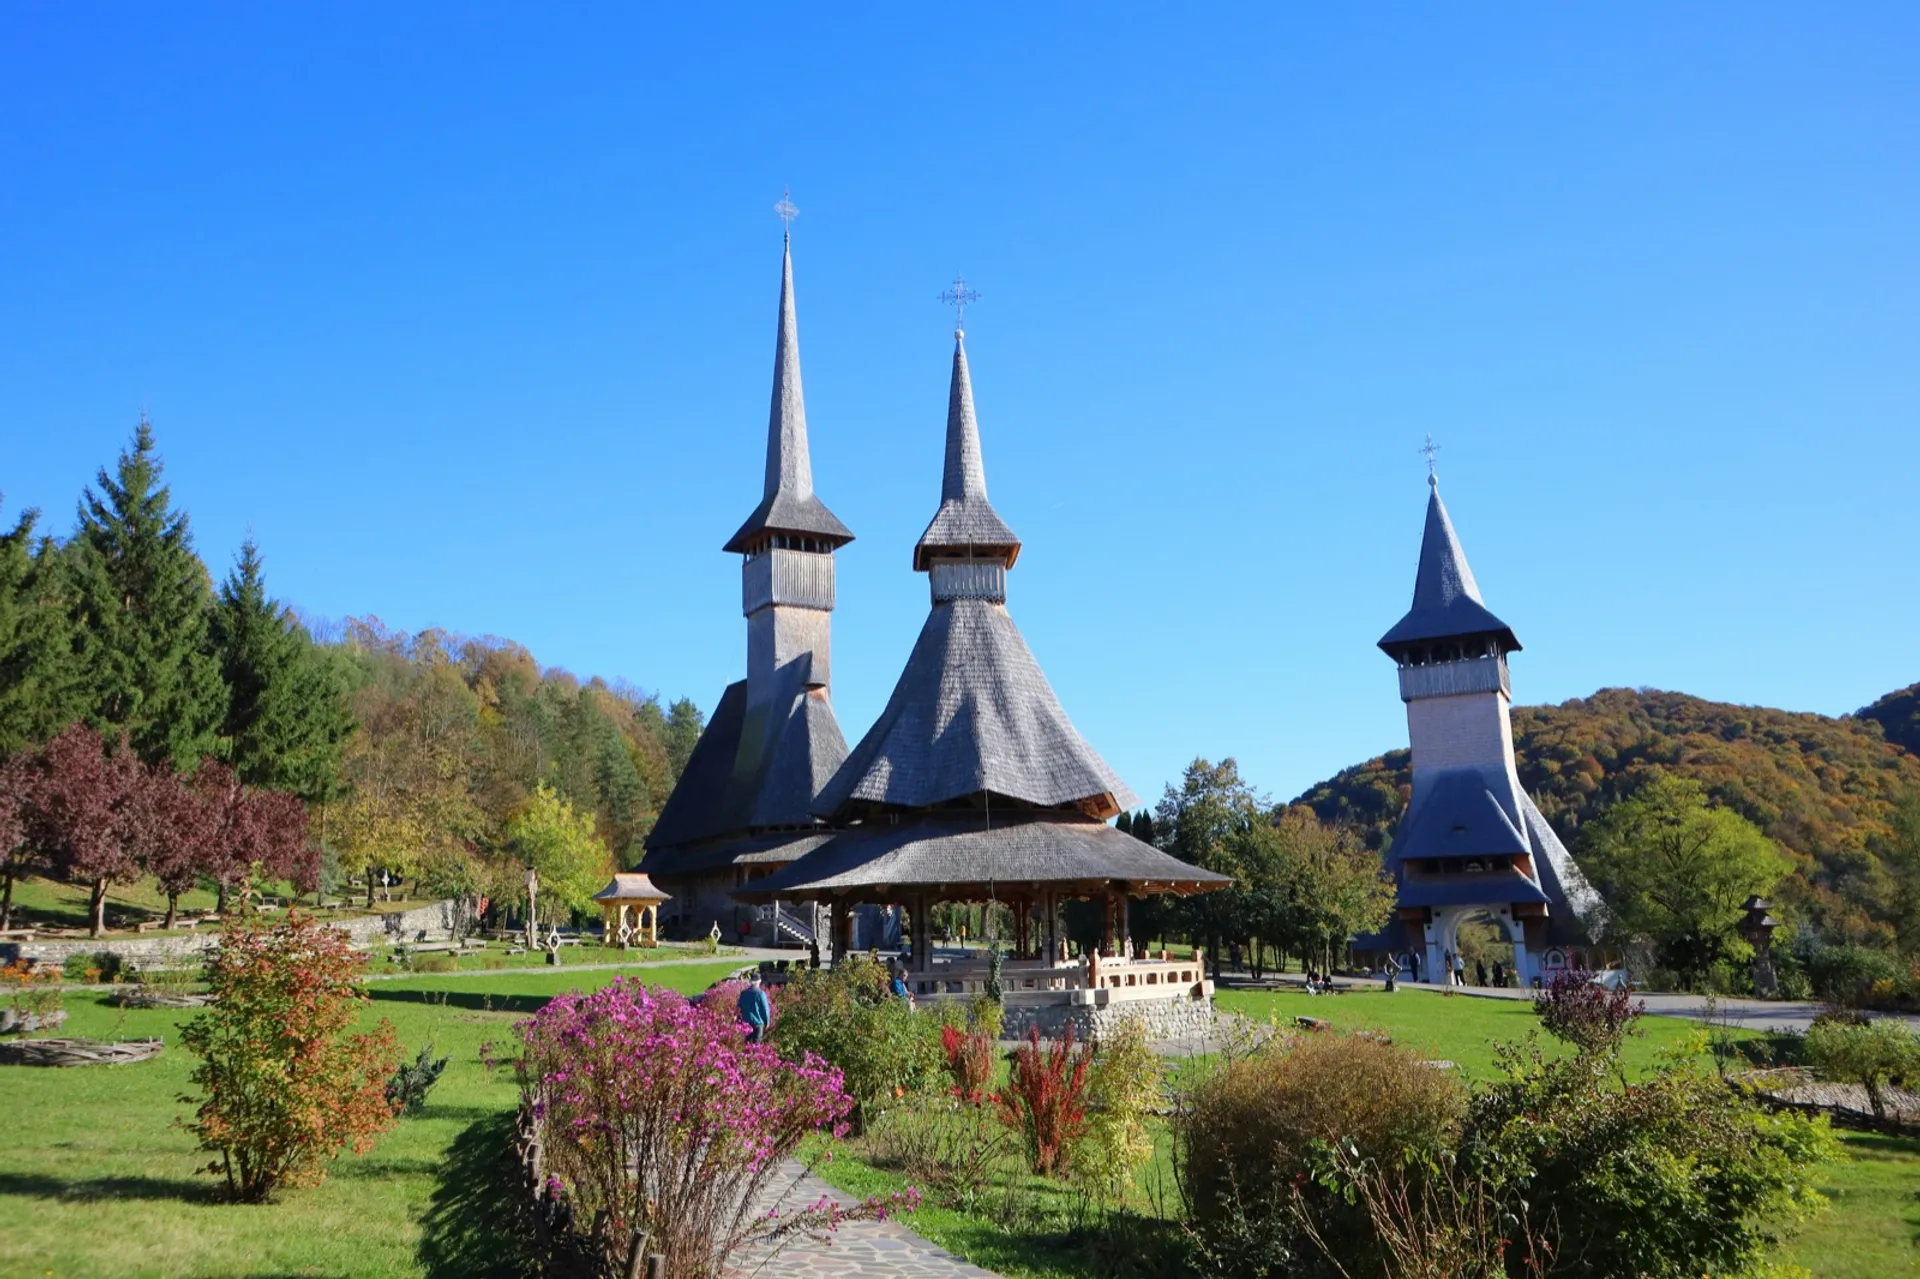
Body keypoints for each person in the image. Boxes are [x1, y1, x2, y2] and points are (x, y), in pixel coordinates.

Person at [736, 971, 772, 1044]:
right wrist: (767, 1022)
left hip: (745, 1024)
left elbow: (739, 1008)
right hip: (758, 1024)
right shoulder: (761, 994)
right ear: (759, 981)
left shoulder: (743, 993)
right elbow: (765, 1010)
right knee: (756, 1046)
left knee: (746, 1045)